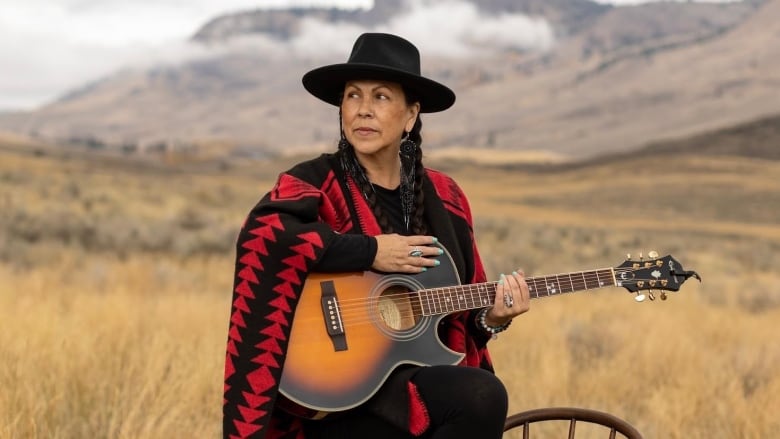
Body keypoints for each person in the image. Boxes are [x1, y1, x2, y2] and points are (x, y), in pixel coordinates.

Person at [223, 32, 531, 439]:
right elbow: (262, 238)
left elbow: (461, 315)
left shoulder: (447, 198)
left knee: (479, 394)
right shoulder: (312, 182)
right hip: (331, 391)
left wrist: (493, 318)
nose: (363, 110)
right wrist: (369, 251)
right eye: (353, 96)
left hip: (409, 385)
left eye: (381, 97)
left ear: (410, 115)